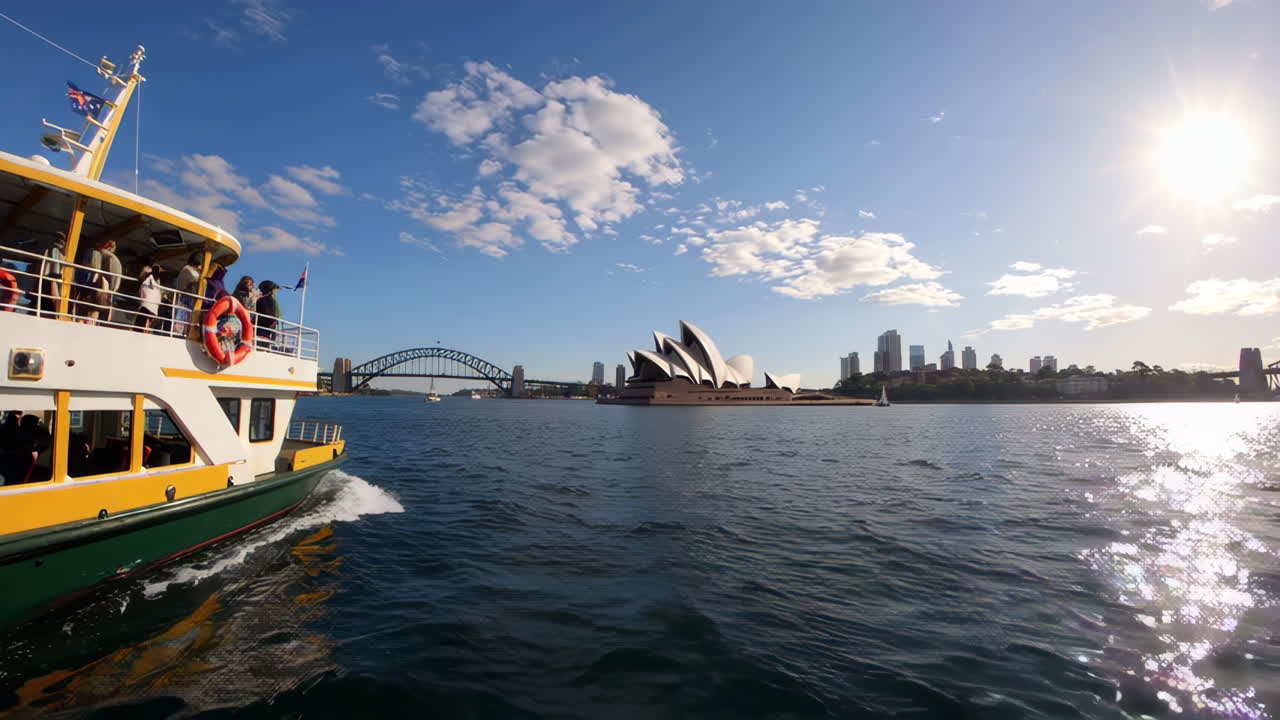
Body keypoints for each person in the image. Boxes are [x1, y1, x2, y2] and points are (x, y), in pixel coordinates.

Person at [33, 232, 66, 316]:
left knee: (44, 301)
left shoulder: (49, 249)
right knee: (50, 302)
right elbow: (56, 268)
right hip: (52, 278)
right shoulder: (56, 251)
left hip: (46, 278)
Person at [172, 252, 202, 335]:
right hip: (183, 298)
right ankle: (177, 334)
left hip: (190, 299)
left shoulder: (194, 270)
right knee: (181, 320)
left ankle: (184, 333)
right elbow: (193, 281)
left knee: (188, 320)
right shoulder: (186, 269)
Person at [134, 264, 164, 333]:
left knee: (138, 328)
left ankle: (139, 332)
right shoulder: (156, 282)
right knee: (146, 326)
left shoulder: (149, 278)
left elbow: (140, 279)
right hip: (154, 309)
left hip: (147, 306)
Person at [255, 280, 281, 349]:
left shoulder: (261, 300)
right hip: (268, 327)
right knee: (265, 345)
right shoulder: (270, 300)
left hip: (262, 327)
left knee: (261, 345)